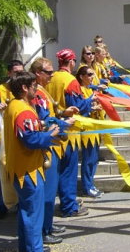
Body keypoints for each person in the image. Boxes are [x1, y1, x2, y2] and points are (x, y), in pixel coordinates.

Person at [4, 71, 59, 252]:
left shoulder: (15, 105)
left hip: (21, 168)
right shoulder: (23, 110)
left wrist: (43, 126)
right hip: (27, 170)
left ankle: (27, 248)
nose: (37, 89)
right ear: (24, 88)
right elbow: (29, 139)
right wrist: (50, 135)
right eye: (34, 86)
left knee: (26, 214)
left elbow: (27, 131)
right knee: (33, 216)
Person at [29, 57, 78, 244]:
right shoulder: (37, 94)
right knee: (48, 192)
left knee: (51, 190)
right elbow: (43, 120)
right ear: (37, 74)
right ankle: (43, 231)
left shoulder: (42, 91)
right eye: (48, 72)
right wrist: (63, 123)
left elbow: (50, 115)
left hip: (52, 144)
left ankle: (48, 224)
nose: (52, 75)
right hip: (46, 145)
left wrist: (63, 114)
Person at [46, 49, 95, 217]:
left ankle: (62, 202)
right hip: (69, 133)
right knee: (68, 171)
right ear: (72, 62)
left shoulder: (50, 79)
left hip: (51, 130)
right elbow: (78, 106)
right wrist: (91, 100)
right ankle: (68, 206)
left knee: (56, 172)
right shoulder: (70, 81)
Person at [0, 59, 24, 219]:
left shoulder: (27, 87)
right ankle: (3, 206)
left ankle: (21, 204)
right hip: (6, 138)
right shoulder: (0, 91)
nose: (19, 75)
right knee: (4, 172)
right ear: (9, 73)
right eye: (16, 72)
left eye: (21, 71)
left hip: (23, 135)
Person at [76, 66, 104, 198]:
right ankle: (87, 187)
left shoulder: (90, 89)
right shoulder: (81, 90)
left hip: (95, 127)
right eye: (89, 74)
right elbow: (80, 109)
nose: (92, 77)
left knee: (94, 159)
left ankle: (90, 184)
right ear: (81, 76)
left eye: (93, 74)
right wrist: (92, 108)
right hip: (87, 128)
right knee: (88, 159)